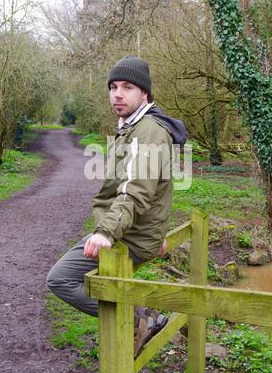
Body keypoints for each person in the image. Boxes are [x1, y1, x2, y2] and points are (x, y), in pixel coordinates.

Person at [47, 55, 188, 356]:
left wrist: (106, 233)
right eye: (113, 87)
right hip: (134, 230)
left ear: (145, 94)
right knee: (101, 284)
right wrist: (156, 230)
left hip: (126, 235)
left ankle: (140, 319)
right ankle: (136, 326)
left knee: (60, 278)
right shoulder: (130, 127)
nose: (118, 94)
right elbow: (155, 186)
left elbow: (135, 190)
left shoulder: (148, 130)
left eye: (127, 87)